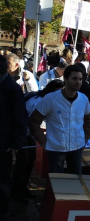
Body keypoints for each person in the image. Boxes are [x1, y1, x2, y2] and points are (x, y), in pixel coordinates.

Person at [29, 64, 90, 174]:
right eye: (74, 78)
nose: (78, 82)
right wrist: (44, 142)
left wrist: (85, 138)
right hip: (56, 149)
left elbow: (89, 120)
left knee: (76, 180)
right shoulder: (50, 99)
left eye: (80, 79)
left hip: (77, 147)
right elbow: (33, 121)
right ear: (65, 79)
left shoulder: (83, 99)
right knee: (57, 181)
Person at [12, 80, 64, 203]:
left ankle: (22, 188)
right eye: (58, 91)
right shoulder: (40, 100)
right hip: (21, 132)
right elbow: (31, 121)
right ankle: (16, 192)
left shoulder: (46, 98)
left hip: (28, 132)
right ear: (52, 90)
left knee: (30, 159)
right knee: (22, 162)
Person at [0, 55, 28, 218]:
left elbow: (20, 118)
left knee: (3, 178)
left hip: (4, 143)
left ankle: (3, 208)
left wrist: (17, 144)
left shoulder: (12, 89)